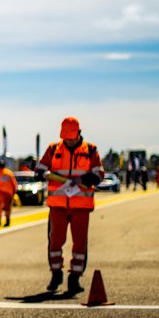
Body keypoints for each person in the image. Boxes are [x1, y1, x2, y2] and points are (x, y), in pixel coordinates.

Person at [35, 116, 103, 295]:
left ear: (79, 133)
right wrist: (42, 173)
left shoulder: (90, 150)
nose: (68, 141)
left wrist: (83, 179)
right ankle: (56, 274)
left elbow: (99, 175)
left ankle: (75, 278)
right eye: (66, 138)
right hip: (58, 205)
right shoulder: (53, 149)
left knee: (79, 244)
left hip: (81, 205)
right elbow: (39, 169)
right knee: (55, 241)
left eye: (71, 138)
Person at [0, 158, 17, 227]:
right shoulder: (9, 173)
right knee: (8, 208)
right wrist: (14, 192)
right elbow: (14, 183)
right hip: (9, 193)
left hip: (0, 193)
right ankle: (8, 221)